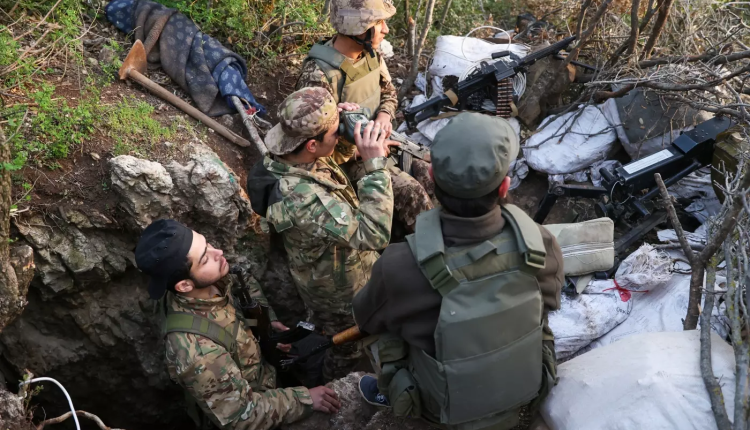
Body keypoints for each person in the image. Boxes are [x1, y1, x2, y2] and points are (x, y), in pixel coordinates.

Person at [352, 113, 564, 429]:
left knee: (384, 335)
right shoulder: (538, 243)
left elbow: (365, 319)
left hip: (439, 411)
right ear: (505, 186)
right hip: (519, 388)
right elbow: (551, 301)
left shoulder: (400, 264)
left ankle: (392, 393)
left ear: (432, 178)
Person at [246, 87, 394, 382]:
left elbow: (329, 160)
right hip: (339, 296)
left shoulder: (291, 153)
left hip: (336, 268)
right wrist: (375, 166)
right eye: (334, 132)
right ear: (311, 145)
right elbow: (374, 234)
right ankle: (330, 387)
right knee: (347, 348)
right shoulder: (300, 197)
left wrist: (348, 127)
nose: (338, 134)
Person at [134, 219, 340, 430]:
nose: (219, 252)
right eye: (205, 258)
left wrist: (266, 323)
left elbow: (244, 282)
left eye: (208, 245)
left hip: (266, 364)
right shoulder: (197, 352)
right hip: (255, 404)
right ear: (184, 285)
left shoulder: (209, 277)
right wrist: (304, 399)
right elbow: (241, 416)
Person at [295, 0, 433, 235]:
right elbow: (313, 146)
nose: (386, 30)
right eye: (379, 23)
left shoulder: (370, 54)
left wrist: (383, 117)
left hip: (376, 140)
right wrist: (365, 149)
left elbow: (388, 93)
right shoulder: (319, 75)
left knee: (432, 173)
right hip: (346, 161)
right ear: (360, 29)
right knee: (411, 191)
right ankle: (430, 254)